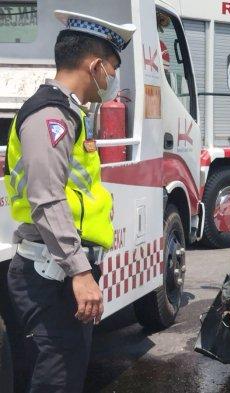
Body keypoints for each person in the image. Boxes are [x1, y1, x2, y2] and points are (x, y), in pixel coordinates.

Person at [2, 10, 135, 392]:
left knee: (58, 369)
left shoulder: (68, 114)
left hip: (55, 268)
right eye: (111, 68)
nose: (111, 79)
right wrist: (79, 271)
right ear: (94, 66)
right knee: (57, 377)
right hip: (52, 273)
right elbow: (46, 198)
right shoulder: (51, 116)